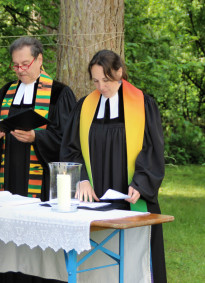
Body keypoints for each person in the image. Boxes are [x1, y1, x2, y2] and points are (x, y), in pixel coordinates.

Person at [60, 49, 167, 283]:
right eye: (96, 80)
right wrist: (82, 179)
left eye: (106, 80)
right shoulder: (85, 107)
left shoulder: (143, 104)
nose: (101, 87)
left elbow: (153, 149)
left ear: (119, 72)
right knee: (96, 261)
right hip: (96, 196)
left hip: (130, 194)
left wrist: (141, 183)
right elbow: (70, 148)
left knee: (134, 258)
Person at [0, 36, 76, 283]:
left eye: (25, 64)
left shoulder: (59, 94)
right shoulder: (6, 92)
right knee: (8, 241)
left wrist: (37, 137)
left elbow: (68, 139)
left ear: (40, 59)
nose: (20, 70)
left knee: (39, 245)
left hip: (41, 186)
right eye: (15, 65)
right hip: (10, 180)